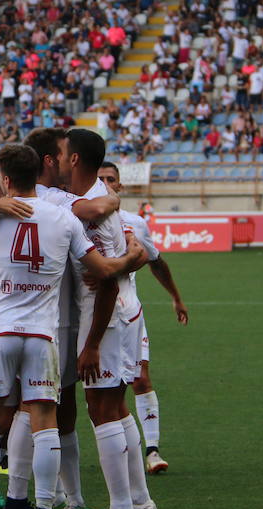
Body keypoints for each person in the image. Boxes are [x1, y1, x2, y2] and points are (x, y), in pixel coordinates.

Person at [0, 144, 144, 509]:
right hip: (43, 334)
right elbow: (103, 269)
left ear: (6, 179)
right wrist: (130, 259)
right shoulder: (63, 217)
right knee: (46, 421)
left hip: (0, 330)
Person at [56, 129, 156, 509]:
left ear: (75, 159)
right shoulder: (96, 199)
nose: (57, 159)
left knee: (101, 410)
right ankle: (140, 501)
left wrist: (92, 344)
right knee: (115, 407)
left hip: (107, 316)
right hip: (122, 312)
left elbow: (108, 283)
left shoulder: (93, 211)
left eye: (61, 153)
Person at [98, 161, 188, 473]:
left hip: (129, 313)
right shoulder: (79, 219)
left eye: (111, 179)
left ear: (120, 186)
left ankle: (152, 451)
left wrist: (175, 297)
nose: (107, 184)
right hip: (94, 316)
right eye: (101, 179)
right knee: (105, 391)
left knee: (140, 379)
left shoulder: (134, 223)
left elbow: (157, 261)